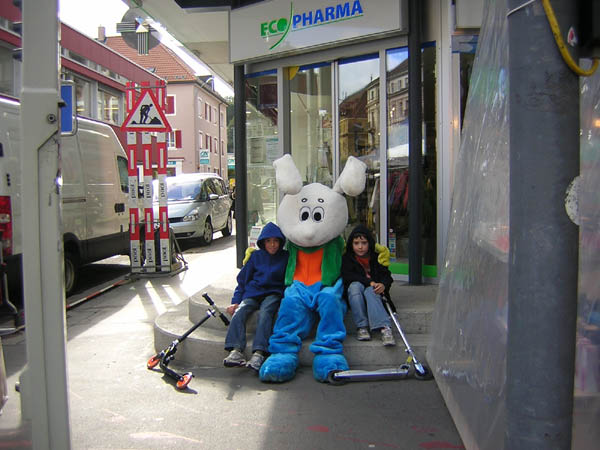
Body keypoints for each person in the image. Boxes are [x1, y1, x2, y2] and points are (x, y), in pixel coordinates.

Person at [223, 222, 288, 371]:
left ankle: (259, 353)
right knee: (240, 311)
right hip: (253, 293)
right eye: (268, 241)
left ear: (280, 242)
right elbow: (242, 281)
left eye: (276, 241)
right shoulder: (255, 256)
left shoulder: (286, 257)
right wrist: (235, 301)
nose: (272, 245)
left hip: (273, 293)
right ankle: (236, 351)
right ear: (263, 242)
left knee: (265, 313)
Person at [341, 224, 396, 346]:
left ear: (369, 243)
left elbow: (387, 276)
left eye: (364, 243)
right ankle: (362, 327)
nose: (360, 247)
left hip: (374, 294)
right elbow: (348, 276)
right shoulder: (347, 258)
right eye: (356, 243)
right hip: (356, 296)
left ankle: (384, 328)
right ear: (351, 244)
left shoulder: (377, 257)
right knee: (354, 286)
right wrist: (369, 282)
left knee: (370, 290)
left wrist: (383, 285)